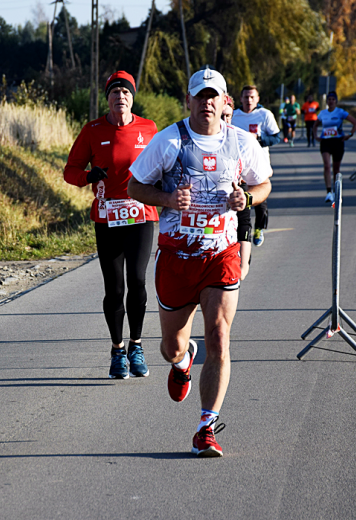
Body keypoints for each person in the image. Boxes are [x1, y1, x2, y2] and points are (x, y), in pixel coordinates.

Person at [128, 67, 272, 457]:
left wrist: (249, 199)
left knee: (220, 337)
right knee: (170, 348)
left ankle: (206, 428)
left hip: (220, 255)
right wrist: (168, 200)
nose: (207, 102)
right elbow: (134, 185)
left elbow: (264, 183)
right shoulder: (169, 141)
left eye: (215, 96)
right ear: (188, 100)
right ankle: (183, 361)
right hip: (176, 257)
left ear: (225, 102)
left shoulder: (242, 143)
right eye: (200, 95)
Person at [64, 71, 159, 379]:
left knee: (138, 280)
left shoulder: (149, 128)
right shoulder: (92, 130)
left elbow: (165, 166)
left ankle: (136, 345)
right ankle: (117, 350)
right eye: (115, 92)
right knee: (114, 287)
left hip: (141, 215)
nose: (121, 97)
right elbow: (70, 170)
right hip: (107, 217)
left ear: (133, 98)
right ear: (107, 98)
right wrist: (87, 177)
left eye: (126, 92)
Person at [231, 85, 281, 247]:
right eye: (246, 97)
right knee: (241, 200)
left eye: (252, 97)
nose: (249, 100)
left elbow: (276, 138)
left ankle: (259, 228)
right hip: (239, 166)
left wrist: (258, 139)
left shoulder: (264, 115)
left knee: (260, 201)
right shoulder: (234, 115)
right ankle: (240, 234)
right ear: (241, 99)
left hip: (259, 165)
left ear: (257, 99)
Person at [222, 96, 252, 280]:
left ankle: (245, 261)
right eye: (221, 115)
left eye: (228, 116)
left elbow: (265, 178)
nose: (224, 120)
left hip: (238, 193)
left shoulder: (241, 140)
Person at [313, 91, 356, 204]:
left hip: (338, 142)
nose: (331, 101)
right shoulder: (322, 113)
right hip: (325, 142)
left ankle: (336, 191)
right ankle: (329, 192)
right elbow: (315, 125)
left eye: (333, 99)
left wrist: (350, 134)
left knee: (336, 169)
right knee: (327, 166)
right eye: (329, 99)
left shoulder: (340, 112)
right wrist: (316, 136)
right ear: (327, 101)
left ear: (336, 101)